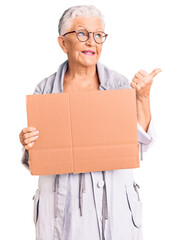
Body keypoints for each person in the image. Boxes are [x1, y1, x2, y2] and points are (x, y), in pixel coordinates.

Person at [19, 5, 161, 240]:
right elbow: (38, 158)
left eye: (98, 35)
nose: (91, 42)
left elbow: (141, 145)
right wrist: (27, 143)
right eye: (82, 34)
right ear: (63, 43)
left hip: (113, 208)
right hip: (61, 209)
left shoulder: (118, 85)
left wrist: (143, 97)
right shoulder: (45, 90)